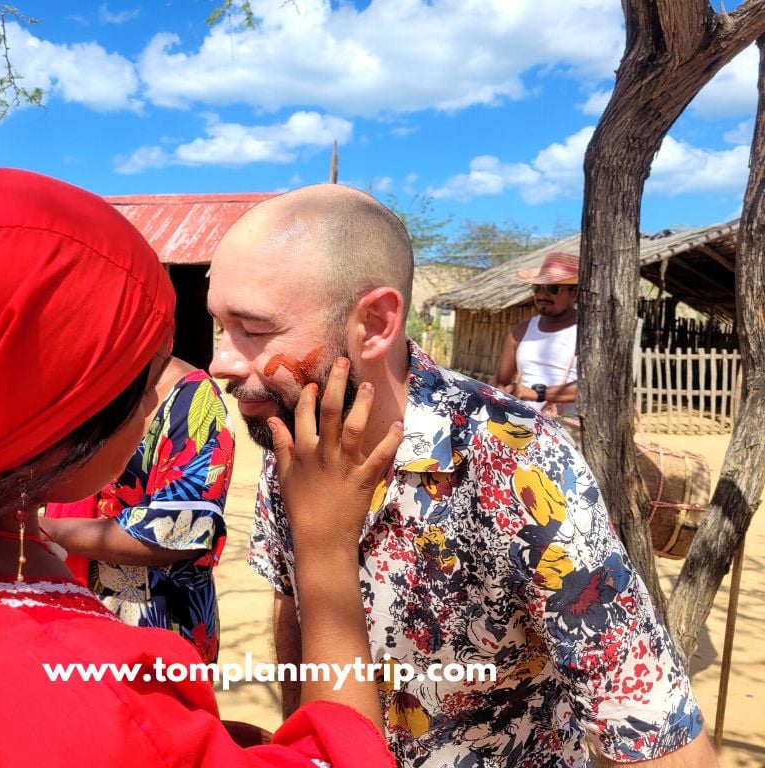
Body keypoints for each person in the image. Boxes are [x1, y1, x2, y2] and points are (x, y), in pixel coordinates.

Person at [0, 168, 399, 767]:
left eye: (249, 329)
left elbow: (186, 526)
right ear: (59, 414)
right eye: (143, 381)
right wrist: (325, 555)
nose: (219, 364)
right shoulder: (83, 706)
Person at [207, 183, 716, 767]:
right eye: (220, 325)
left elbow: (654, 729)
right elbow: (292, 607)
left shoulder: (517, 463)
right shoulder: (294, 431)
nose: (220, 359)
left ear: (374, 322)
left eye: (254, 329)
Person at [43, 355, 234, 663]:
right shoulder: (86, 377)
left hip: (158, 623)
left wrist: (44, 531)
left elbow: (180, 528)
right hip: (71, 608)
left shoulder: (194, 399)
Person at [494, 252, 579, 417]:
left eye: (552, 288)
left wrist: (538, 394)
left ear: (574, 293)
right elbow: (500, 382)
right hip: (523, 427)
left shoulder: (588, 334)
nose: (541, 295)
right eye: (537, 288)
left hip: (569, 432)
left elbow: (595, 386)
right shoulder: (521, 331)